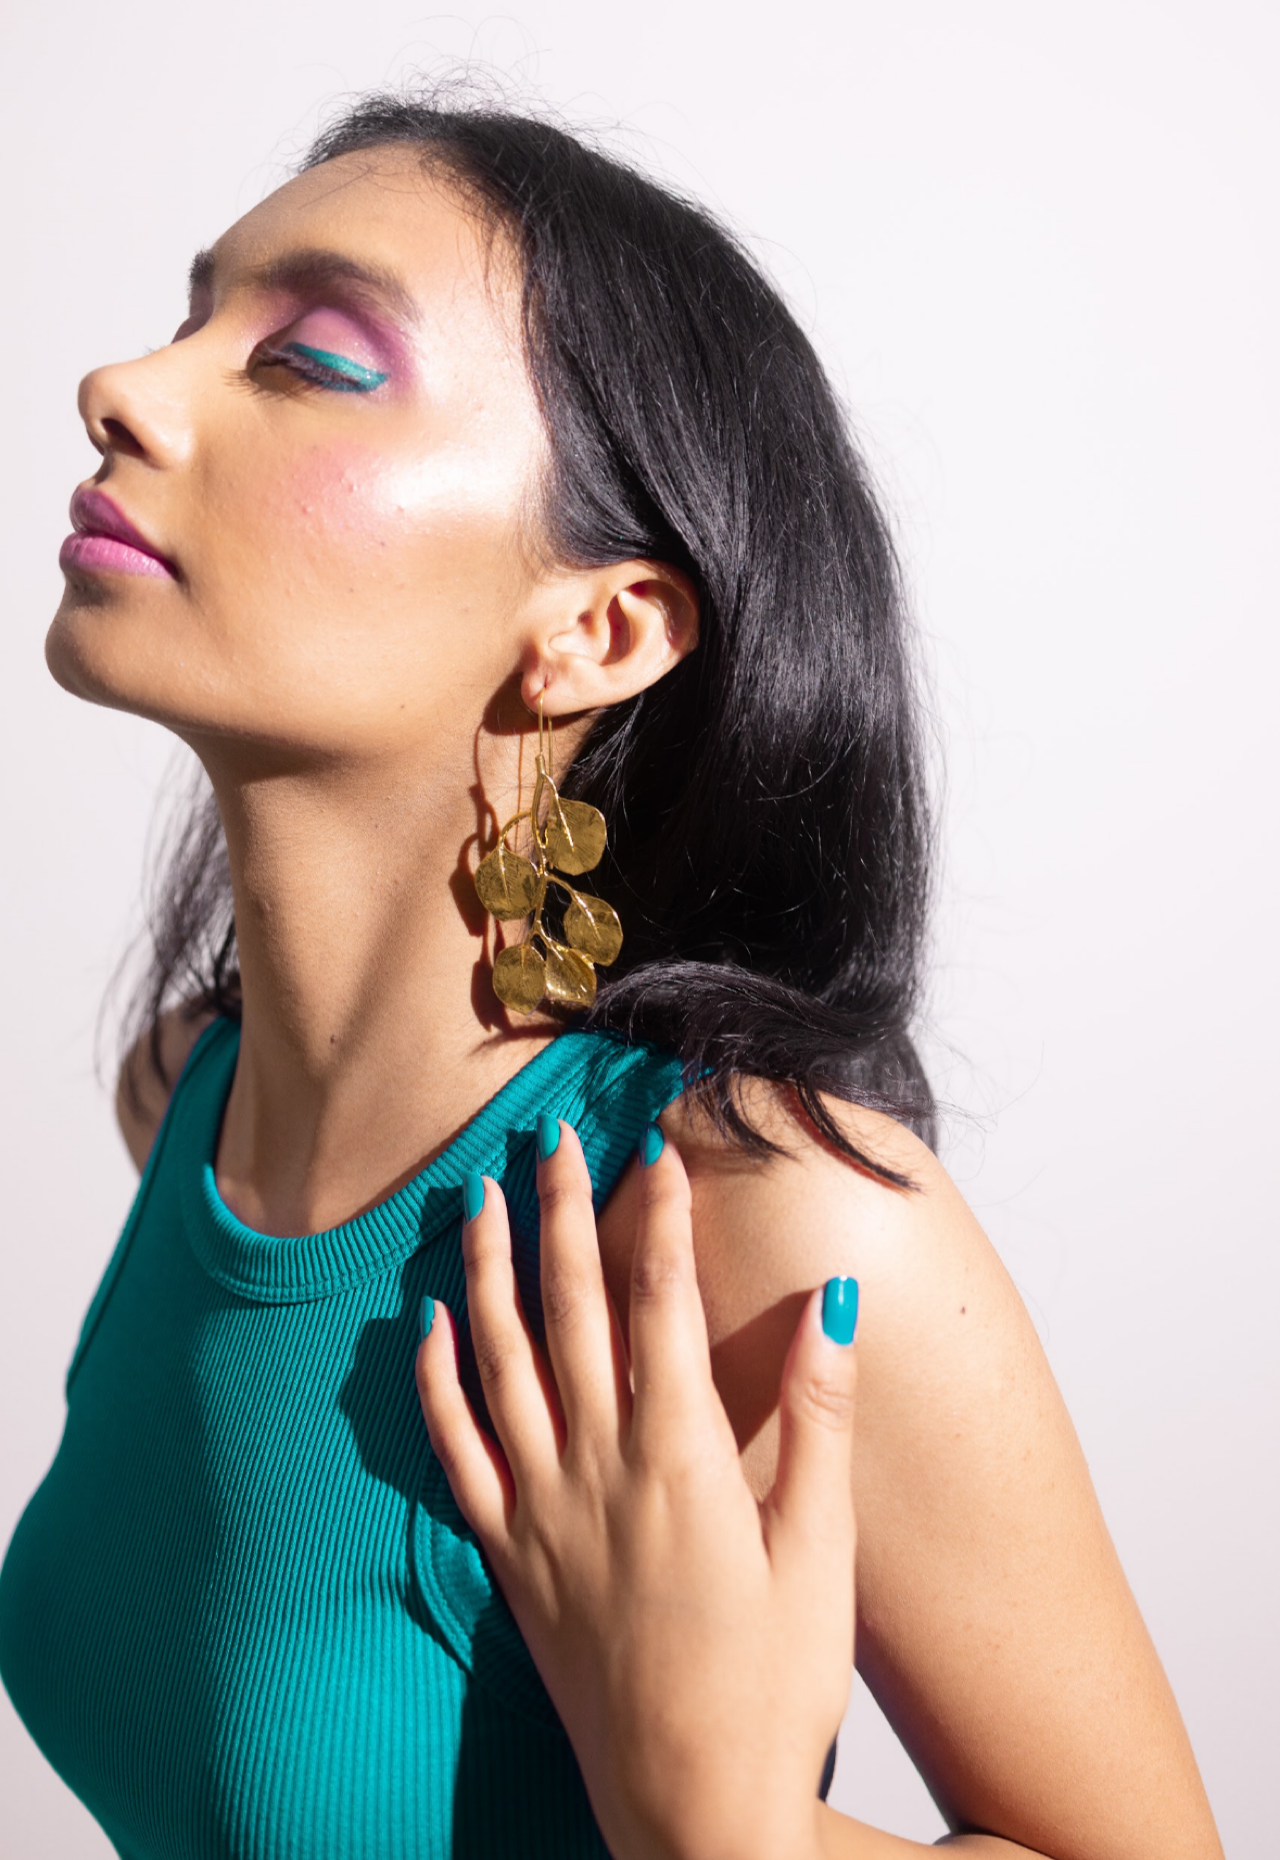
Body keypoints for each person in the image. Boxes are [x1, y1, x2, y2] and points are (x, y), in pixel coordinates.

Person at [0, 91, 1222, 1860]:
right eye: (194, 316)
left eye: (312, 359)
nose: (127, 382)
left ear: (598, 629)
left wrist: (729, 1826)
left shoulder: (757, 1226)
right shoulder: (186, 1099)